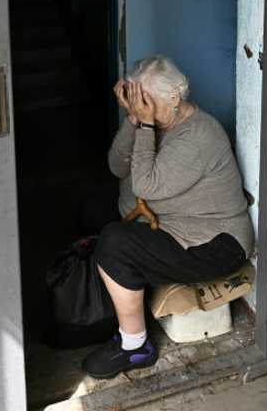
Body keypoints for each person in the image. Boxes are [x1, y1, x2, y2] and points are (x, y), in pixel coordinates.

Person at [82, 55, 254, 379]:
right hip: (169, 223)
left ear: (174, 98)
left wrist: (145, 124)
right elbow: (117, 166)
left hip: (214, 243)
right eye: (137, 101)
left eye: (146, 102)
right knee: (91, 206)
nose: (142, 108)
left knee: (115, 242)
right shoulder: (157, 120)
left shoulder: (199, 135)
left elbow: (145, 184)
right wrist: (133, 119)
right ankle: (110, 304)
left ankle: (135, 345)